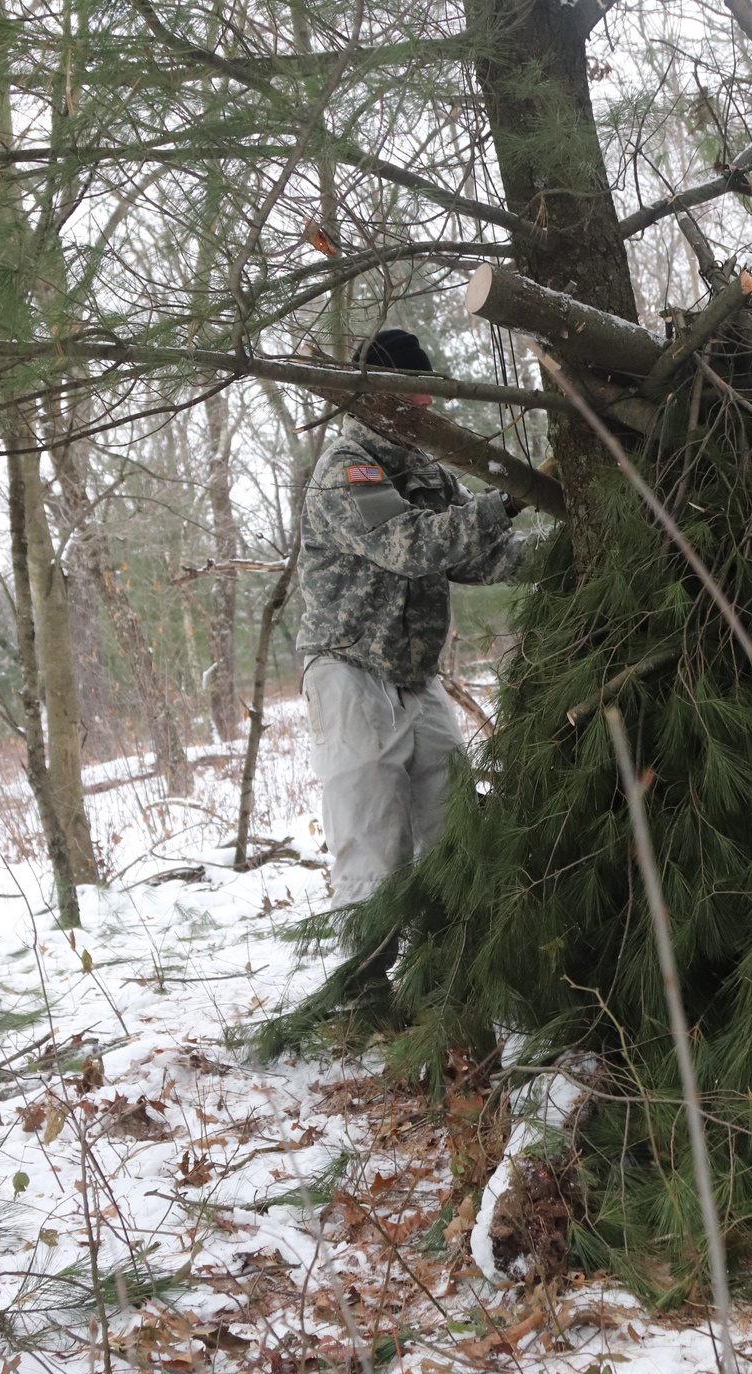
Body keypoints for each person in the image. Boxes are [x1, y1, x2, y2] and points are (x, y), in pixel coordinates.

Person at [296, 328, 530, 936]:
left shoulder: (425, 470)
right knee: (373, 843)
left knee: (453, 827)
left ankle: (444, 984)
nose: (426, 404)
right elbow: (409, 545)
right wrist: (502, 504)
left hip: (415, 677)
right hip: (350, 672)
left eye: (427, 391)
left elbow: (479, 556)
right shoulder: (347, 471)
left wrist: (574, 551)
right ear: (378, 396)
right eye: (412, 391)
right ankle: (366, 1000)